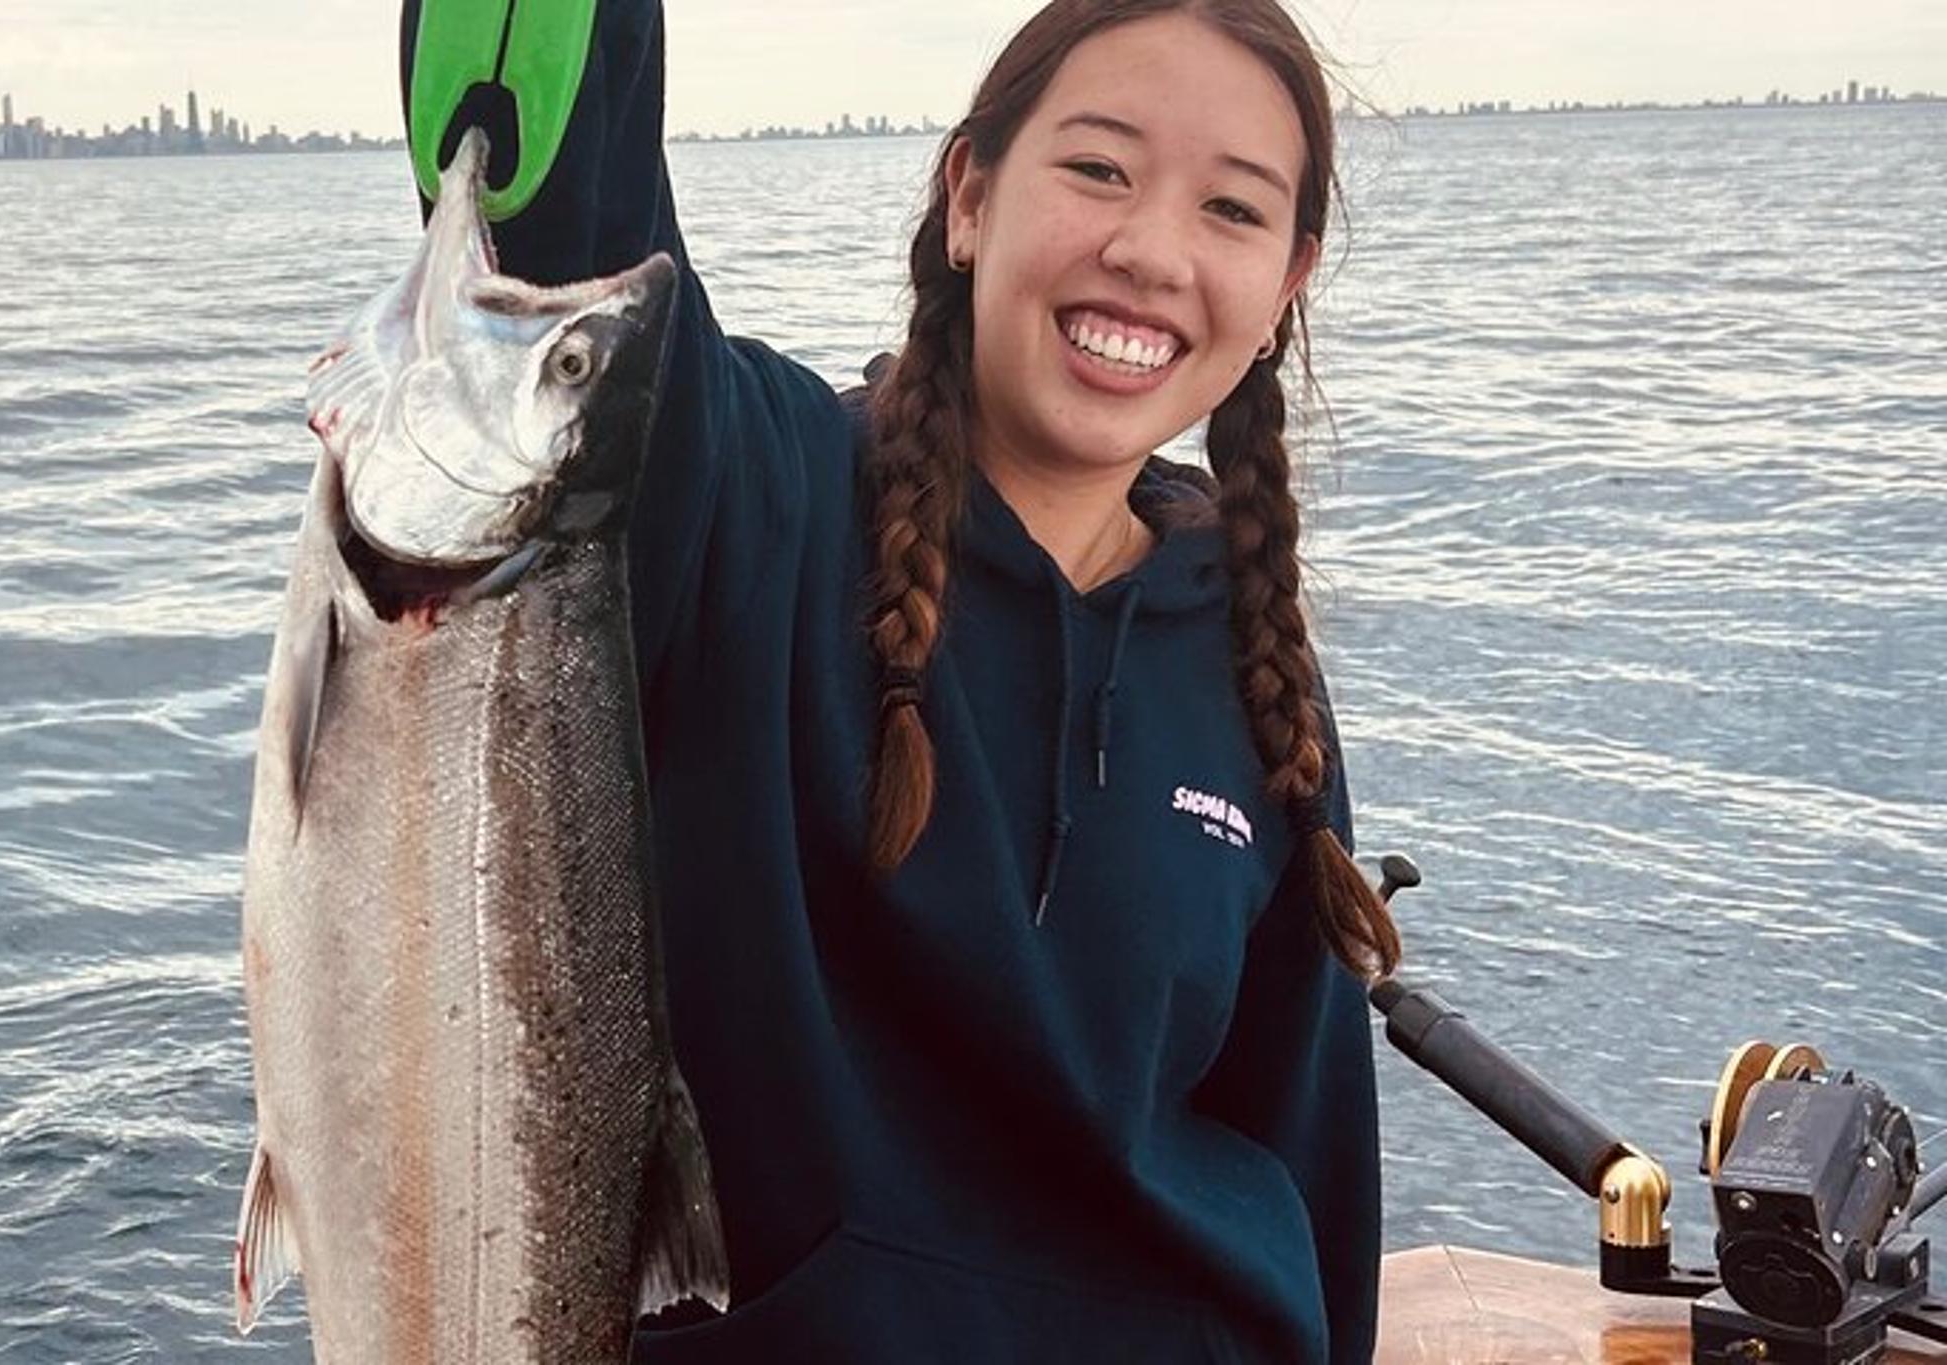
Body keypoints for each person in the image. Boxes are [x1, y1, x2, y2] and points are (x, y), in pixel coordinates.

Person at [400, 0, 1404, 1359]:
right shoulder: (754, 495)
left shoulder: (1259, 667)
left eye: (1232, 210)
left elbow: (1312, 1158)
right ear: (971, 196)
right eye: (1098, 168)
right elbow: (555, 248)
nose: (1152, 250)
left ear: (1289, 284)